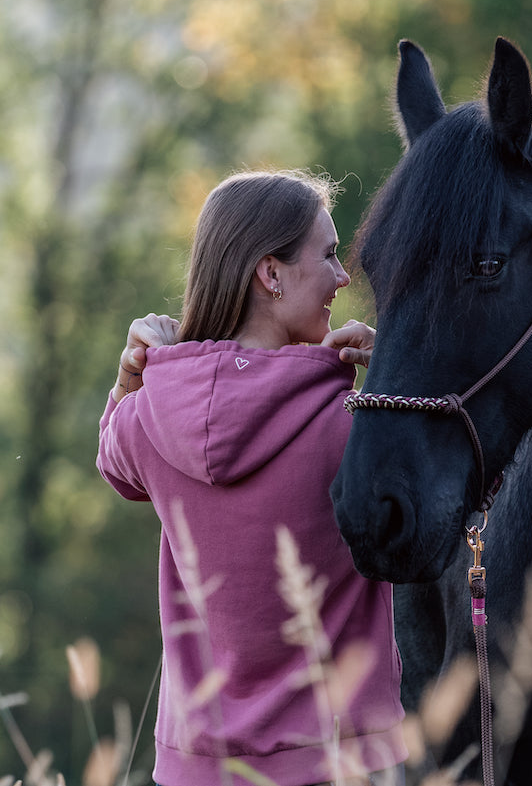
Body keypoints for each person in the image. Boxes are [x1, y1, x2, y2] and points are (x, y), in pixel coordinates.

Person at [96, 170, 407, 786]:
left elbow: (114, 465)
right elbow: (466, 478)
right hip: (333, 762)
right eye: (329, 256)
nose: (343, 278)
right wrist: (396, 371)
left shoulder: (148, 419)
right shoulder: (354, 427)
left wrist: (132, 384)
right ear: (271, 274)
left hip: (193, 770)